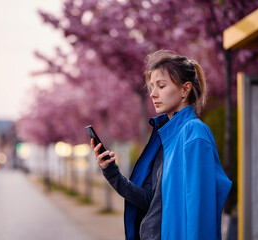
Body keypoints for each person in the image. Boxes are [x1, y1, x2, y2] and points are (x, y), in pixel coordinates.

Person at [90, 50, 232, 240]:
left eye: (161, 86)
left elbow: (200, 212)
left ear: (185, 89)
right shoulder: (167, 137)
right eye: (152, 86)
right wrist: (111, 172)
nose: (152, 93)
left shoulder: (194, 134)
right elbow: (148, 199)